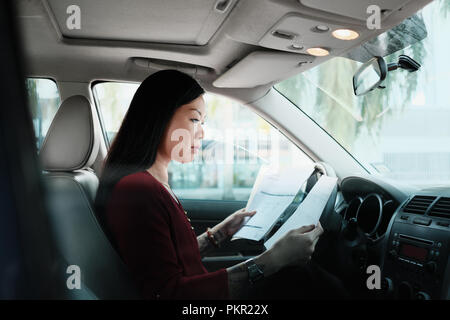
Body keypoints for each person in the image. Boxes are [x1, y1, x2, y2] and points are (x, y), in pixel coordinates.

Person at [95, 70, 343, 300]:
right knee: (300, 277)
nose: (202, 134)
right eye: (194, 119)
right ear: (158, 117)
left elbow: (173, 260)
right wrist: (271, 260)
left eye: (202, 122)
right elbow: (169, 293)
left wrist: (220, 233)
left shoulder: (151, 183)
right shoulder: (139, 189)